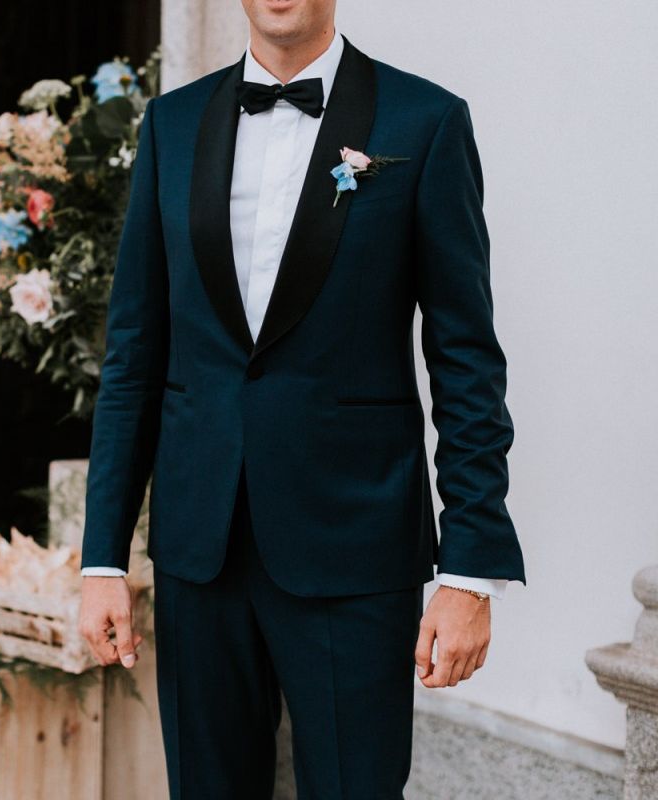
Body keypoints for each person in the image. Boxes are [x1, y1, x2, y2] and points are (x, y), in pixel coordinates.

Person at [79, 1, 526, 796]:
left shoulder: (425, 122)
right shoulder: (171, 125)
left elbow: (465, 361)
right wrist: (102, 557)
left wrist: (470, 573)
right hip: (197, 552)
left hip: (353, 550)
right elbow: (134, 356)